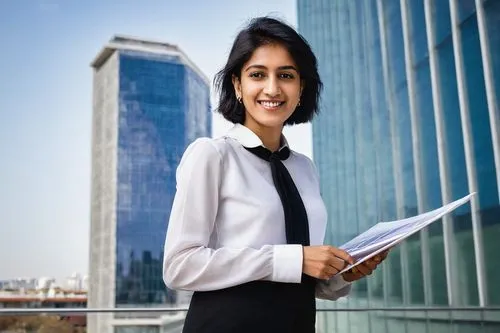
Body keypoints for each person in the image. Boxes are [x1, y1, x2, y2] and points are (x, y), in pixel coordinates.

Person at [162, 16, 388, 333]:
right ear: (238, 85)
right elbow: (179, 267)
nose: (272, 88)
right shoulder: (212, 155)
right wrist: (293, 259)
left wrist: (340, 273)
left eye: (286, 75)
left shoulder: (304, 168)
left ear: (301, 87)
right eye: (257, 75)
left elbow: (298, 274)